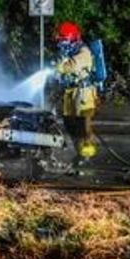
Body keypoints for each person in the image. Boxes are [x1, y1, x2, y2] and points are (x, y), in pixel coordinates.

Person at [51, 21, 98, 163]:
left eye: (63, 39)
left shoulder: (84, 52)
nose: (60, 43)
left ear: (71, 38)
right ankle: (80, 153)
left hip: (84, 94)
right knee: (70, 124)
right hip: (71, 92)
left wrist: (59, 67)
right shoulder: (67, 52)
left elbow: (70, 66)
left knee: (83, 125)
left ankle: (87, 154)